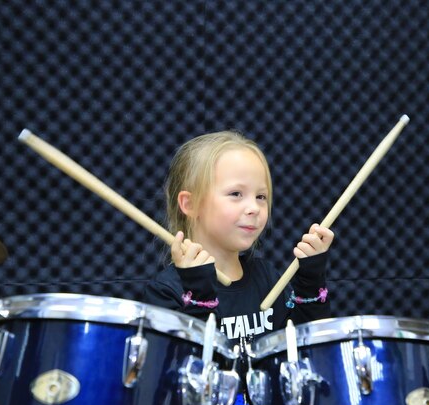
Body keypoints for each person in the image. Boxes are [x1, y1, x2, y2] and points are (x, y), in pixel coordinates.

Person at [142, 131, 334, 343]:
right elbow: (189, 367)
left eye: (261, 196)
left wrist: (311, 281)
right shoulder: (166, 292)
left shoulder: (268, 278)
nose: (254, 208)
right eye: (236, 194)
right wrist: (198, 294)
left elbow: (305, 351)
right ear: (190, 204)